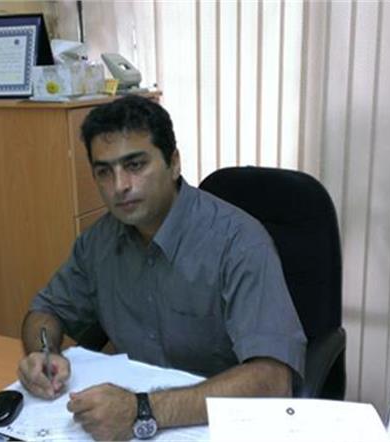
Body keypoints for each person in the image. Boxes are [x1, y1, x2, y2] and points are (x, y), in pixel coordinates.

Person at [18, 95, 306, 441]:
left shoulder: (239, 242)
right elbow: (45, 312)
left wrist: (143, 410)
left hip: (221, 423)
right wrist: (43, 352)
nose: (119, 186)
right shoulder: (98, 242)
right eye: (104, 172)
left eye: (135, 165)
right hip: (127, 419)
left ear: (174, 163)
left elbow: (273, 379)